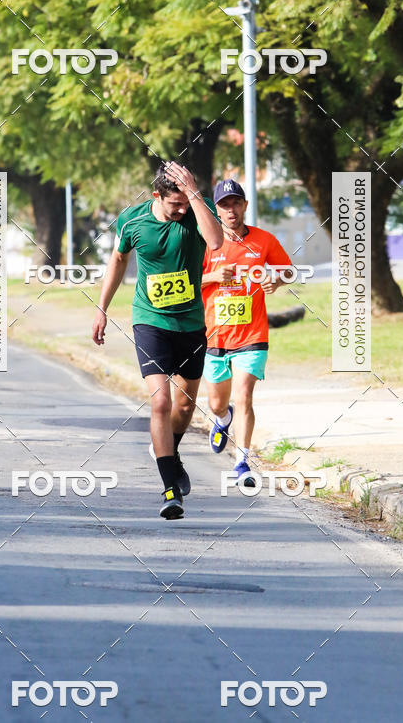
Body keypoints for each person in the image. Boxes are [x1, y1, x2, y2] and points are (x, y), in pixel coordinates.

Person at [92, 162, 223, 520]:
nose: (181, 210)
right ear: (156, 196)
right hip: (150, 321)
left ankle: (170, 452)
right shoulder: (133, 220)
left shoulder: (198, 211)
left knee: (184, 408)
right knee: (161, 402)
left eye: (185, 203)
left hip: (192, 323)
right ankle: (170, 489)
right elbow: (118, 258)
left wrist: (194, 194)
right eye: (174, 205)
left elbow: (215, 241)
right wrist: (101, 308)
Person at [201, 179, 291, 487]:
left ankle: (242, 462)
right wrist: (214, 275)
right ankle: (223, 418)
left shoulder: (264, 240)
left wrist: (275, 280)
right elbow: (188, 282)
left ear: (245, 206)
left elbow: (288, 270)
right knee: (217, 402)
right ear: (216, 211)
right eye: (224, 205)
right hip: (215, 335)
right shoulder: (207, 243)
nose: (231, 210)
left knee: (244, 395)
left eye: (235, 203)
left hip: (252, 335)